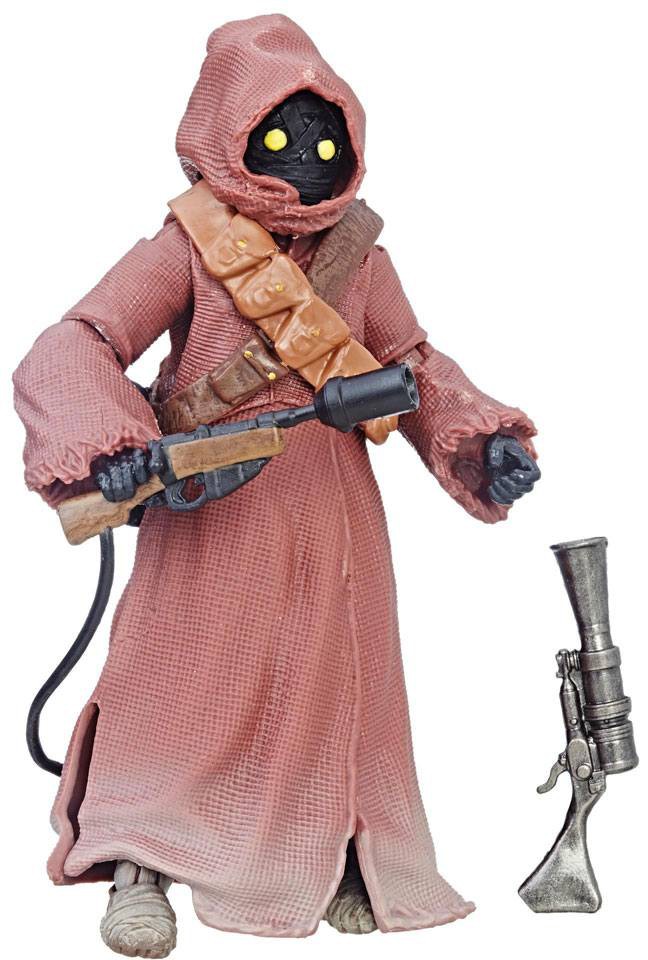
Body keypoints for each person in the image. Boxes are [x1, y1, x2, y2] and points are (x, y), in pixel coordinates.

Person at [13, 14, 539, 958]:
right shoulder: (187, 246)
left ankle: (345, 852)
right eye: (279, 136)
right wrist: (113, 441)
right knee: (174, 682)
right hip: (210, 505)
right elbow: (78, 342)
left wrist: (478, 436)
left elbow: (412, 365)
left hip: (332, 513)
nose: (305, 160)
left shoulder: (358, 258)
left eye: (325, 143)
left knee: (336, 680)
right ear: (228, 132)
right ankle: (139, 858)